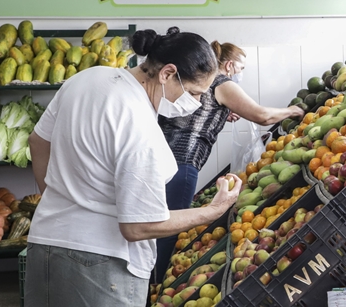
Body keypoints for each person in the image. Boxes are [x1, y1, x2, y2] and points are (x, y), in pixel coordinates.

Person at [24, 27, 242, 307]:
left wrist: (62, 198)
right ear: (167, 74)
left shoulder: (89, 77)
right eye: (194, 93)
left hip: (44, 242)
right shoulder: (139, 122)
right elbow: (138, 226)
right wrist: (213, 210)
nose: (197, 104)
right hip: (100, 263)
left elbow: (38, 141)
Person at [154, 41, 304, 280]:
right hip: (183, 164)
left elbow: (194, 116)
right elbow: (262, 116)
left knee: (159, 222)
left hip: (163, 160)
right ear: (230, 65)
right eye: (241, 68)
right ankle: (153, 288)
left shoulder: (201, 80)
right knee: (168, 229)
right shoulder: (222, 82)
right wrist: (292, 111)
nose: (240, 74)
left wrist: (222, 112)